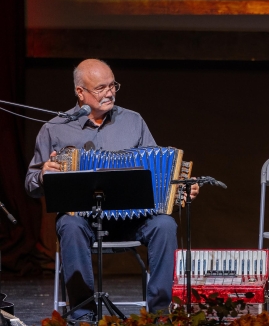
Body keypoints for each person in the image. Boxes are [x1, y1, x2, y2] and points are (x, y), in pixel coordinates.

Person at [24, 59, 199, 322]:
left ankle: (161, 315)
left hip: (133, 218)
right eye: (101, 88)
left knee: (165, 225)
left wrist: (180, 187)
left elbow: (158, 171)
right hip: (84, 219)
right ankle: (83, 315)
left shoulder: (133, 121)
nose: (110, 93)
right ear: (80, 92)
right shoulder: (54, 129)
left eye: (113, 85)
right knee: (69, 225)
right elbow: (30, 185)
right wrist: (42, 175)